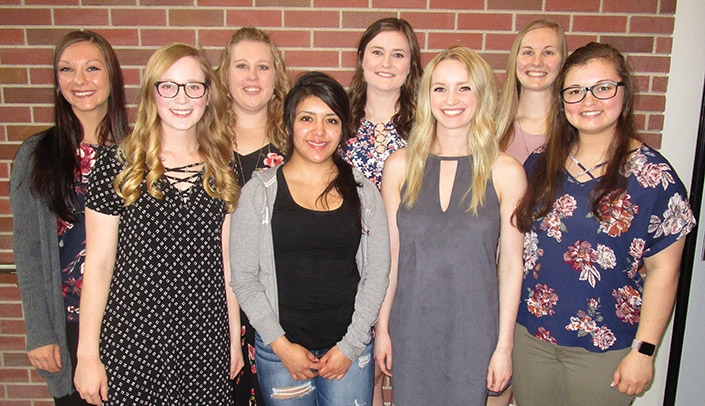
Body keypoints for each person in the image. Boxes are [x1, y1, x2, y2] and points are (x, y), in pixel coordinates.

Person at [512, 42, 696, 406]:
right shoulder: (539, 164)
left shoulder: (653, 177)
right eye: (575, 91)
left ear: (624, 94)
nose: (589, 101)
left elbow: (664, 271)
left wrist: (644, 352)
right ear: (562, 101)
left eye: (603, 88)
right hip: (531, 340)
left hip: (605, 349)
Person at [73, 43, 242, 405]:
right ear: (152, 93)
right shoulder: (116, 165)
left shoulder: (226, 168)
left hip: (203, 338)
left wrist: (233, 340)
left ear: (208, 95)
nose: (181, 98)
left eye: (193, 86)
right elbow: (99, 265)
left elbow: (229, 265)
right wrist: (87, 354)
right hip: (134, 339)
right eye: (168, 86)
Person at [375, 46, 525, 405]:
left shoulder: (506, 171)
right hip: (412, 327)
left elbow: (510, 265)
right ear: (427, 96)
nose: (451, 99)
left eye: (464, 87)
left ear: (481, 95)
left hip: (475, 330)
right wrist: (383, 328)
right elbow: (391, 257)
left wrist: (504, 346)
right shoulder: (399, 166)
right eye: (440, 88)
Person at [230, 71, 390, 405]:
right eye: (307, 118)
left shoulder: (364, 193)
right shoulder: (259, 192)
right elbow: (244, 277)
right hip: (281, 354)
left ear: (343, 127)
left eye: (330, 120)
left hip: (349, 351)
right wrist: (280, 345)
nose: (319, 131)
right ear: (289, 125)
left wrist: (350, 345)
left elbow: (377, 274)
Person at [10, 30, 128, 406]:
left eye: (92, 68)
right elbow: (28, 251)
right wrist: (40, 331)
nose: (80, 80)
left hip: (134, 320)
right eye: (67, 69)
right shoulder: (35, 154)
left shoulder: (141, 151)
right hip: (71, 324)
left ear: (112, 76)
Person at [216, 26, 290, 405]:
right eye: (241, 65)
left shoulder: (296, 144)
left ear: (276, 76)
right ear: (224, 74)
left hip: (275, 303)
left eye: (263, 67)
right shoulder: (200, 141)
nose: (251, 76)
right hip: (210, 302)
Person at [344, 17, 422, 190]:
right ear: (362, 59)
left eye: (398, 55)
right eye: (377, 52)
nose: (386, 63)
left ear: (410, 66)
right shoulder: (338, 117)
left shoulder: (426, 123)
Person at [496, 20, 567, 164]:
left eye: (548, 52)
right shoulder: (491, 125)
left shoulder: (573, 127)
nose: (536, 62)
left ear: (562, 61)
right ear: (515, 59)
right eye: (528, 52)